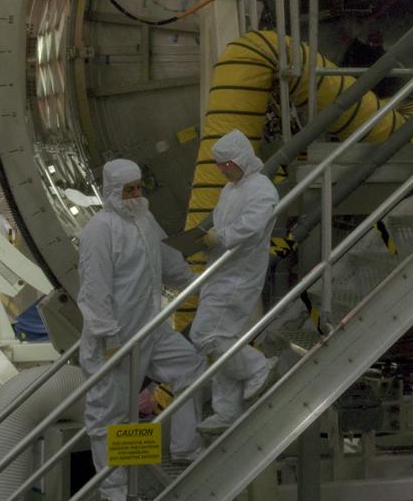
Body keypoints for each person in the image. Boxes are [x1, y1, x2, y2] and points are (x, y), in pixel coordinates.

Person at [78, 159, 205, 499]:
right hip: (116, 340)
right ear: (112, 192)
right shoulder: (99, 231)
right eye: (128, 190)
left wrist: (198, 284)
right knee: (110, 413)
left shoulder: (145, 220)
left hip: (151, 330)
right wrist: (109, 340)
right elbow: (94, 291)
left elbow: (166, 261)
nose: (135, 195)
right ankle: (114, 489)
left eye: (138, 188)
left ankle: (185, 446)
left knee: (190, 366)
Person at [191, 129, 280, 435]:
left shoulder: (262, 189)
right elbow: (221, 222)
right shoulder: (230, 189)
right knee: (222, 338)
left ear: (242, 158)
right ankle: (226, 411)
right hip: (221, 269)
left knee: (205, 335)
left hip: (239, 273)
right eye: (219, 166)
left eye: (226, 164)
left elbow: (251, 229)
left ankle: (257, 365)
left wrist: (220, 237)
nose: (223, 170)